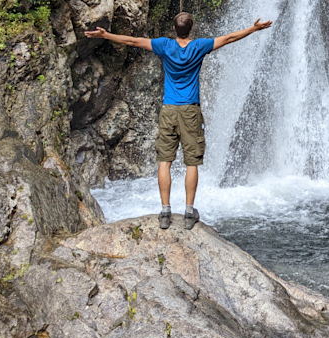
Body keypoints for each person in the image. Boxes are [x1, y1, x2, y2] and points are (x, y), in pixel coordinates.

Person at [84, 12, 272, 230]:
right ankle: (189, 212)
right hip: (190, 111)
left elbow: (132, 41)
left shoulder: (164, 46)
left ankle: (165, 211)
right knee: (192, 162)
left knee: (165, 161)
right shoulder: (199, 46)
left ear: (174, 30)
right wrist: (253, 28)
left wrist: (106, 35)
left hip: (169, 109)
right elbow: (229, 38)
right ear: (191, 30)